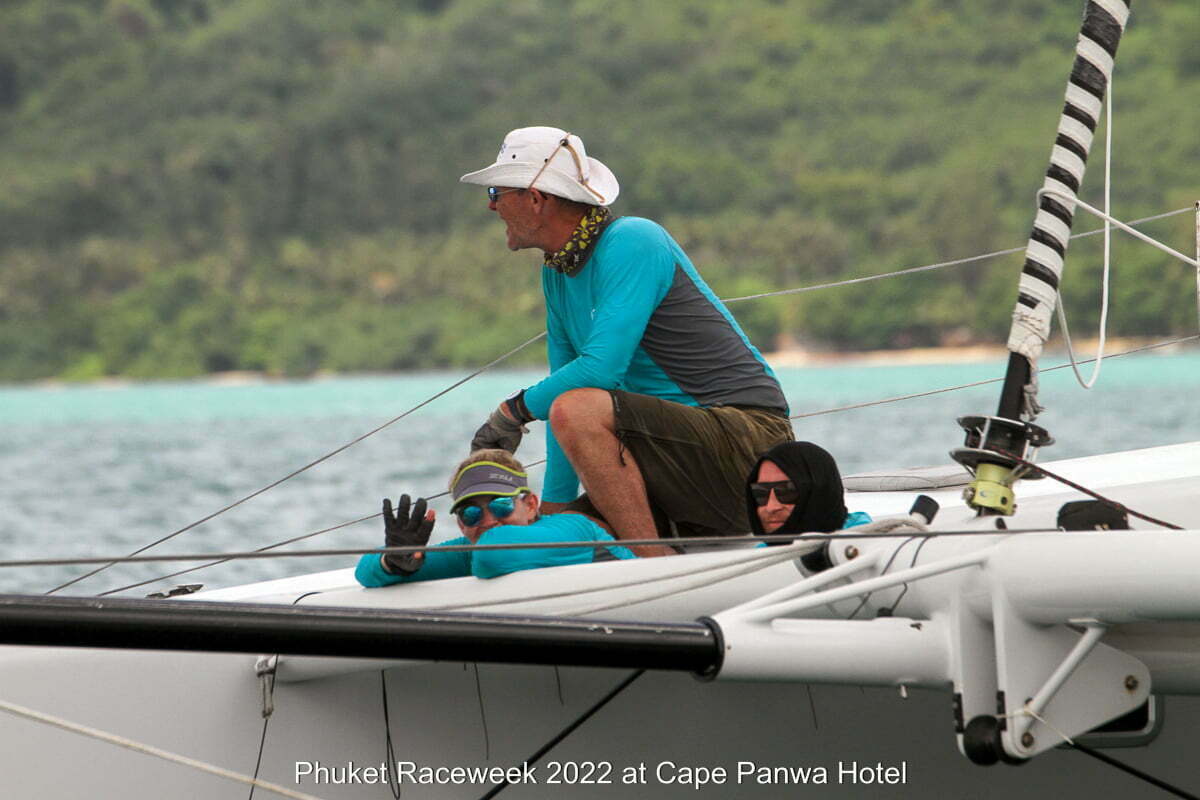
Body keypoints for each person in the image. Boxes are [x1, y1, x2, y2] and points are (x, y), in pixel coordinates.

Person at [460, 126, 793, 557]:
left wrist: (509, 415)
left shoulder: (633, 240)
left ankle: (654, 567)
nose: (491, 205)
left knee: (576, 407)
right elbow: (564, 397)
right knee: (540, 540)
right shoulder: (557, 272)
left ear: (536, 199)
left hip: (752, 446)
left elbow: (599, 372)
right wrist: (556, 511)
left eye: (496, 192)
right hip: (667, 463)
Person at [355, 450, 635, 587]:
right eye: (471, 513)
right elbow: (366, 572)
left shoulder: (573, 528)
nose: (488, 521)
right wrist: (395, 562)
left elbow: (494, 556)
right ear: (460, 524)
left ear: (531, 505)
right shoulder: (474, 549)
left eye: (501, 506)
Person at [745, 441, 871, 540]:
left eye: (786, 492)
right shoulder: (757, 558)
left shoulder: (868, 546)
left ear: (819, 494)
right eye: (760, 493)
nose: (771, 507)